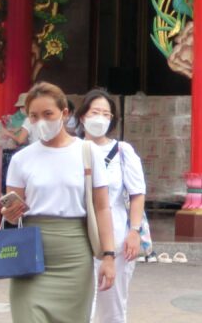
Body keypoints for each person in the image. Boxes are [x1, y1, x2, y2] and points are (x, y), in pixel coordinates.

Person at [1, 82, 116, 321]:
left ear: (65, 113)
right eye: (34, 116)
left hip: (74, 253)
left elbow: (102, 207)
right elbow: (12, 209)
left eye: (48, 114)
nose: (41, 121)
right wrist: (9, 214)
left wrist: (108, 256)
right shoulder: (21, 159)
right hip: (30, 254)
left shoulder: (88, 152)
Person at [75, 89, 146, 323]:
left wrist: (134, 232)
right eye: (95, 112)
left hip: (115, 237)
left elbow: (137, 194)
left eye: (106, 114)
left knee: (112, 306)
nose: (100, 118)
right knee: (78, 304)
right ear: (82, 116)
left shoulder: (122, 152)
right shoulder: (70, 150)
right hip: (75, 235)